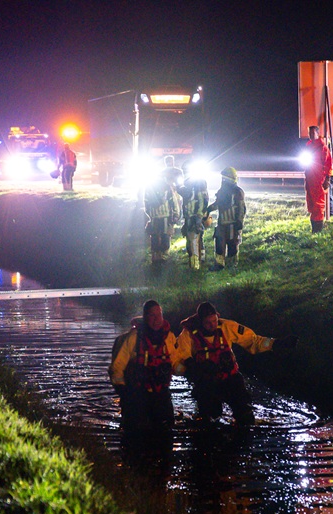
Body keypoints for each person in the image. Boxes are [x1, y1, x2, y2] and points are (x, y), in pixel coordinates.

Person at [173, 302, 298, 427]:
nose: (213, 325)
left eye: (215, 321)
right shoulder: (188, 335)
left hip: (230, 378)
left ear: (217, 316)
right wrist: (193, 369)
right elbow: (179, 356)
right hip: (207, 383)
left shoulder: (228, 327)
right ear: (200, 321)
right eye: (208, 323)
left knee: (245, 414)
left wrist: (276, 344)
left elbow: (253, 341)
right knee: (211, 420)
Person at [109, 300, 180, 431]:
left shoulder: (168, 337)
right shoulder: (133, 338)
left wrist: (189, 368)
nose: (157, 319)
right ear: (145, 317)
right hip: (136, 393)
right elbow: (117, 367)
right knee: (134, 430)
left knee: (166, 426)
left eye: (159, 315)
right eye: (152, 315)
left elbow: (175, 362)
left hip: (160, 391)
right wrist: (123, 391)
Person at [206, 167, 246, 271]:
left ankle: (232, 265)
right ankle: (219, 264)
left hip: (233, 223)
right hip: (221, 224)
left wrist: (239, 222)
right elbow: (218, 204)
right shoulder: (221, 191)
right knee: (219, 244)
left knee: (233, 244)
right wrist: (209, 209)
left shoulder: (237, 191)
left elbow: (241, 208)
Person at [144, 157, 182, 263]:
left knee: (158, 235)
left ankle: (158, 255)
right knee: (163, 234)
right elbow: (173, 201)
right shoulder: (165, 187)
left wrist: (150, 215)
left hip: (157, 216)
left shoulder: (151, 187)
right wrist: (176, 214)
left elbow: (146, 203)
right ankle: (162, 254)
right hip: (163, 215)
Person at [178, 164, 210, 270]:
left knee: (194, 239)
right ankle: (199, 259)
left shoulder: (198, 183)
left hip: (196, 215)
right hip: (190, 215)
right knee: (193, 239)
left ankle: (195, 265)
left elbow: (204, 199)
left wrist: (200, 215)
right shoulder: (187, 183)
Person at [303, 125, 333, 232]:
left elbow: (329, 164)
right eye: (309, 133)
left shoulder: (323, 148)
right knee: (311, 203)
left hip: (318, 180)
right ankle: (314, 228)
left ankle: (318, 229)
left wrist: (327, 179)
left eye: (312, 133)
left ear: (317, 133)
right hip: (310, 179)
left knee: (318, 204)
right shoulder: (309, 146)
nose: (310, 135)